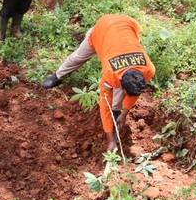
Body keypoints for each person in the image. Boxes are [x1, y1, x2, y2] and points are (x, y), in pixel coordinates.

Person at [42, 14, 156, 152]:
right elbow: (104, 106)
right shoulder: (110, 74)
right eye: (126, 92)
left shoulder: (148, 69)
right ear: (120, 82)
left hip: (127, 26)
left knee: (118, 103)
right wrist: (111, 140)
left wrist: (124, 112)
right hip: (101, 30)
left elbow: (134, 93)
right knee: (78, 57)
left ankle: (117, 111)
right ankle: (58, 75)